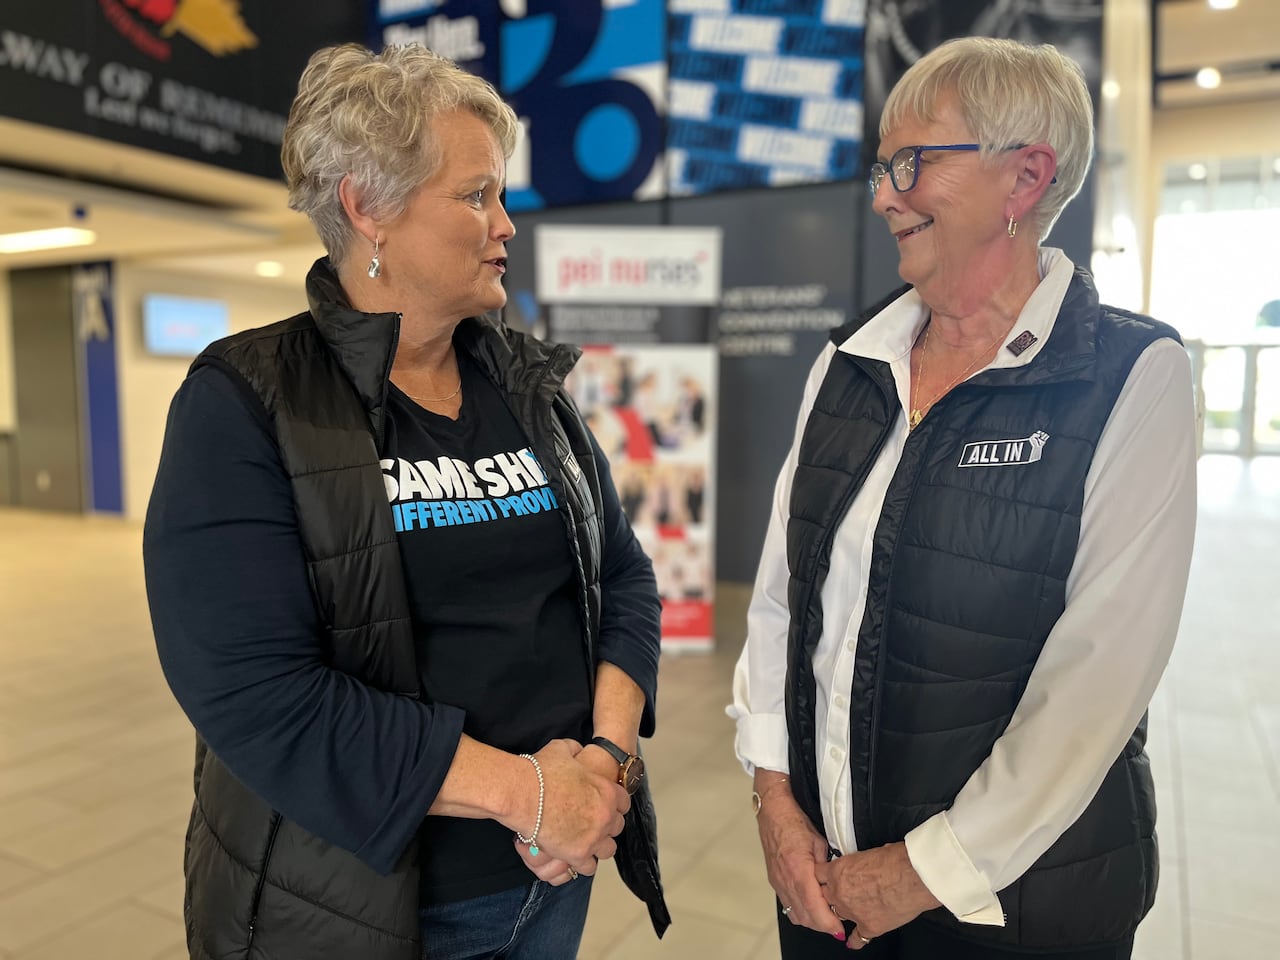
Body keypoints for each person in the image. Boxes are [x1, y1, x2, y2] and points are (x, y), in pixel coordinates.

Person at [144, 43, 669, 960]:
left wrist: (604, 765)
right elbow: (257, 694)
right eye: (476, 196)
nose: (507, 224)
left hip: (550, 878)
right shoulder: (247, 400)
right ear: (367, 206)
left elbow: (620, 575)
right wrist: (529, 794)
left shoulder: (525, 382)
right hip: (357, 907)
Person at [729, 37, 1196, 960]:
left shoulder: (1131, 377)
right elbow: (786, 598)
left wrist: (920, 873)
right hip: (824, 887)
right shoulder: (849, 361)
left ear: (1025, 179)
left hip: (1014, 912)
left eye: (911, 163)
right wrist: (775, 795)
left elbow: (1096, 682)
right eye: (880, 167)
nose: (882, 195)